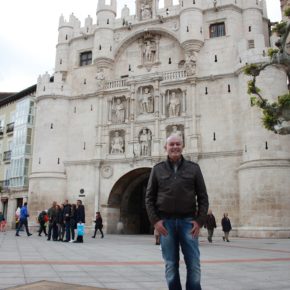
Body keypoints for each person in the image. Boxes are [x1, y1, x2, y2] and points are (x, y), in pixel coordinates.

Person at [145, 134, 209, 290]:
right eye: (171, 144)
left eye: (178, 144)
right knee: (171, 264)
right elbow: (149, 198)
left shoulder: (194, 168)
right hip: (166, 224)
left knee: (193, 263)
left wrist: (199, 221)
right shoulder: (157, 169)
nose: (175, 147)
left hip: (188, 222)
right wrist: (156, 221)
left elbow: (203, 197)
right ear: (165, 147)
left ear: (183, 146)